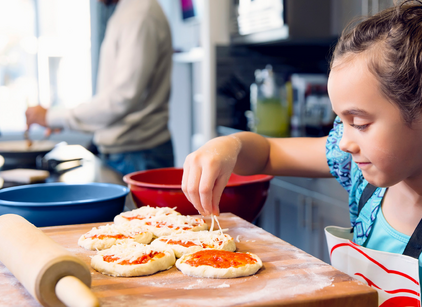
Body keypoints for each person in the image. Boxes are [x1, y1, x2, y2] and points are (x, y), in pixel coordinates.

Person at [182, 1, 422, 303]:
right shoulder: (358, 171)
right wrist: (229, 145)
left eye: (359, 123)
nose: (344, 142)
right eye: (341, 121)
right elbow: (267, 153)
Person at [25, 0, 174, 175]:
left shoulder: (139, 13)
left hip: (139, 156)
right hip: (129, 153)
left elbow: (122, 98)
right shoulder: (129, 11)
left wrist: (52, 117)